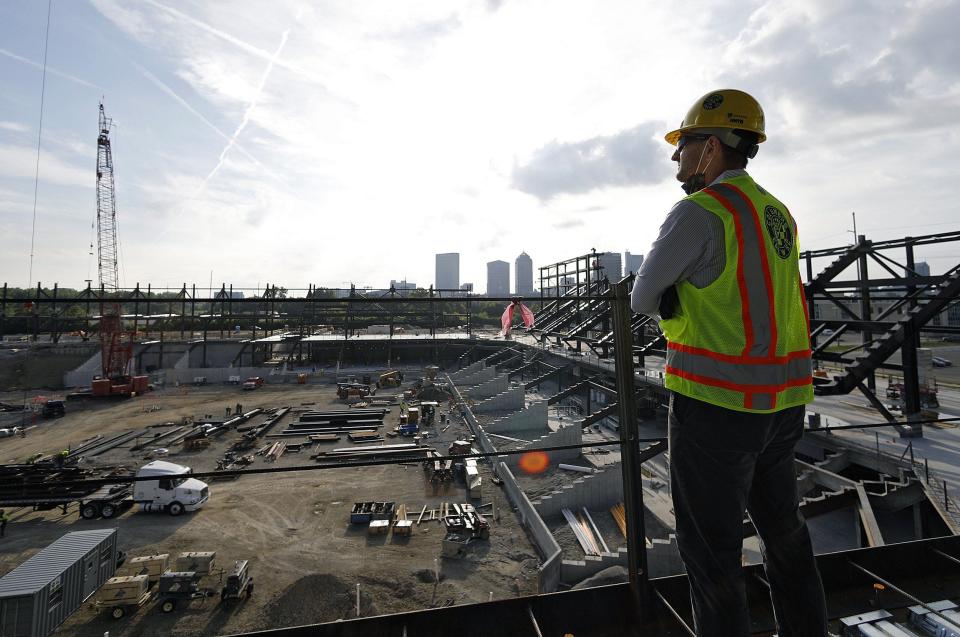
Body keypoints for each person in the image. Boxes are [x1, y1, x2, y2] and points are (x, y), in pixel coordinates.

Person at [630, 89, 827, 636]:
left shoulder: (699, 212)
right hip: (783, 405)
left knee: (712, 555)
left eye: (684, 144)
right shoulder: (775, 211)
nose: (676, 157)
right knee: (785, 536)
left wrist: (674, 302)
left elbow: (641, 298)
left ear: (711, 147)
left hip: (715, 407)